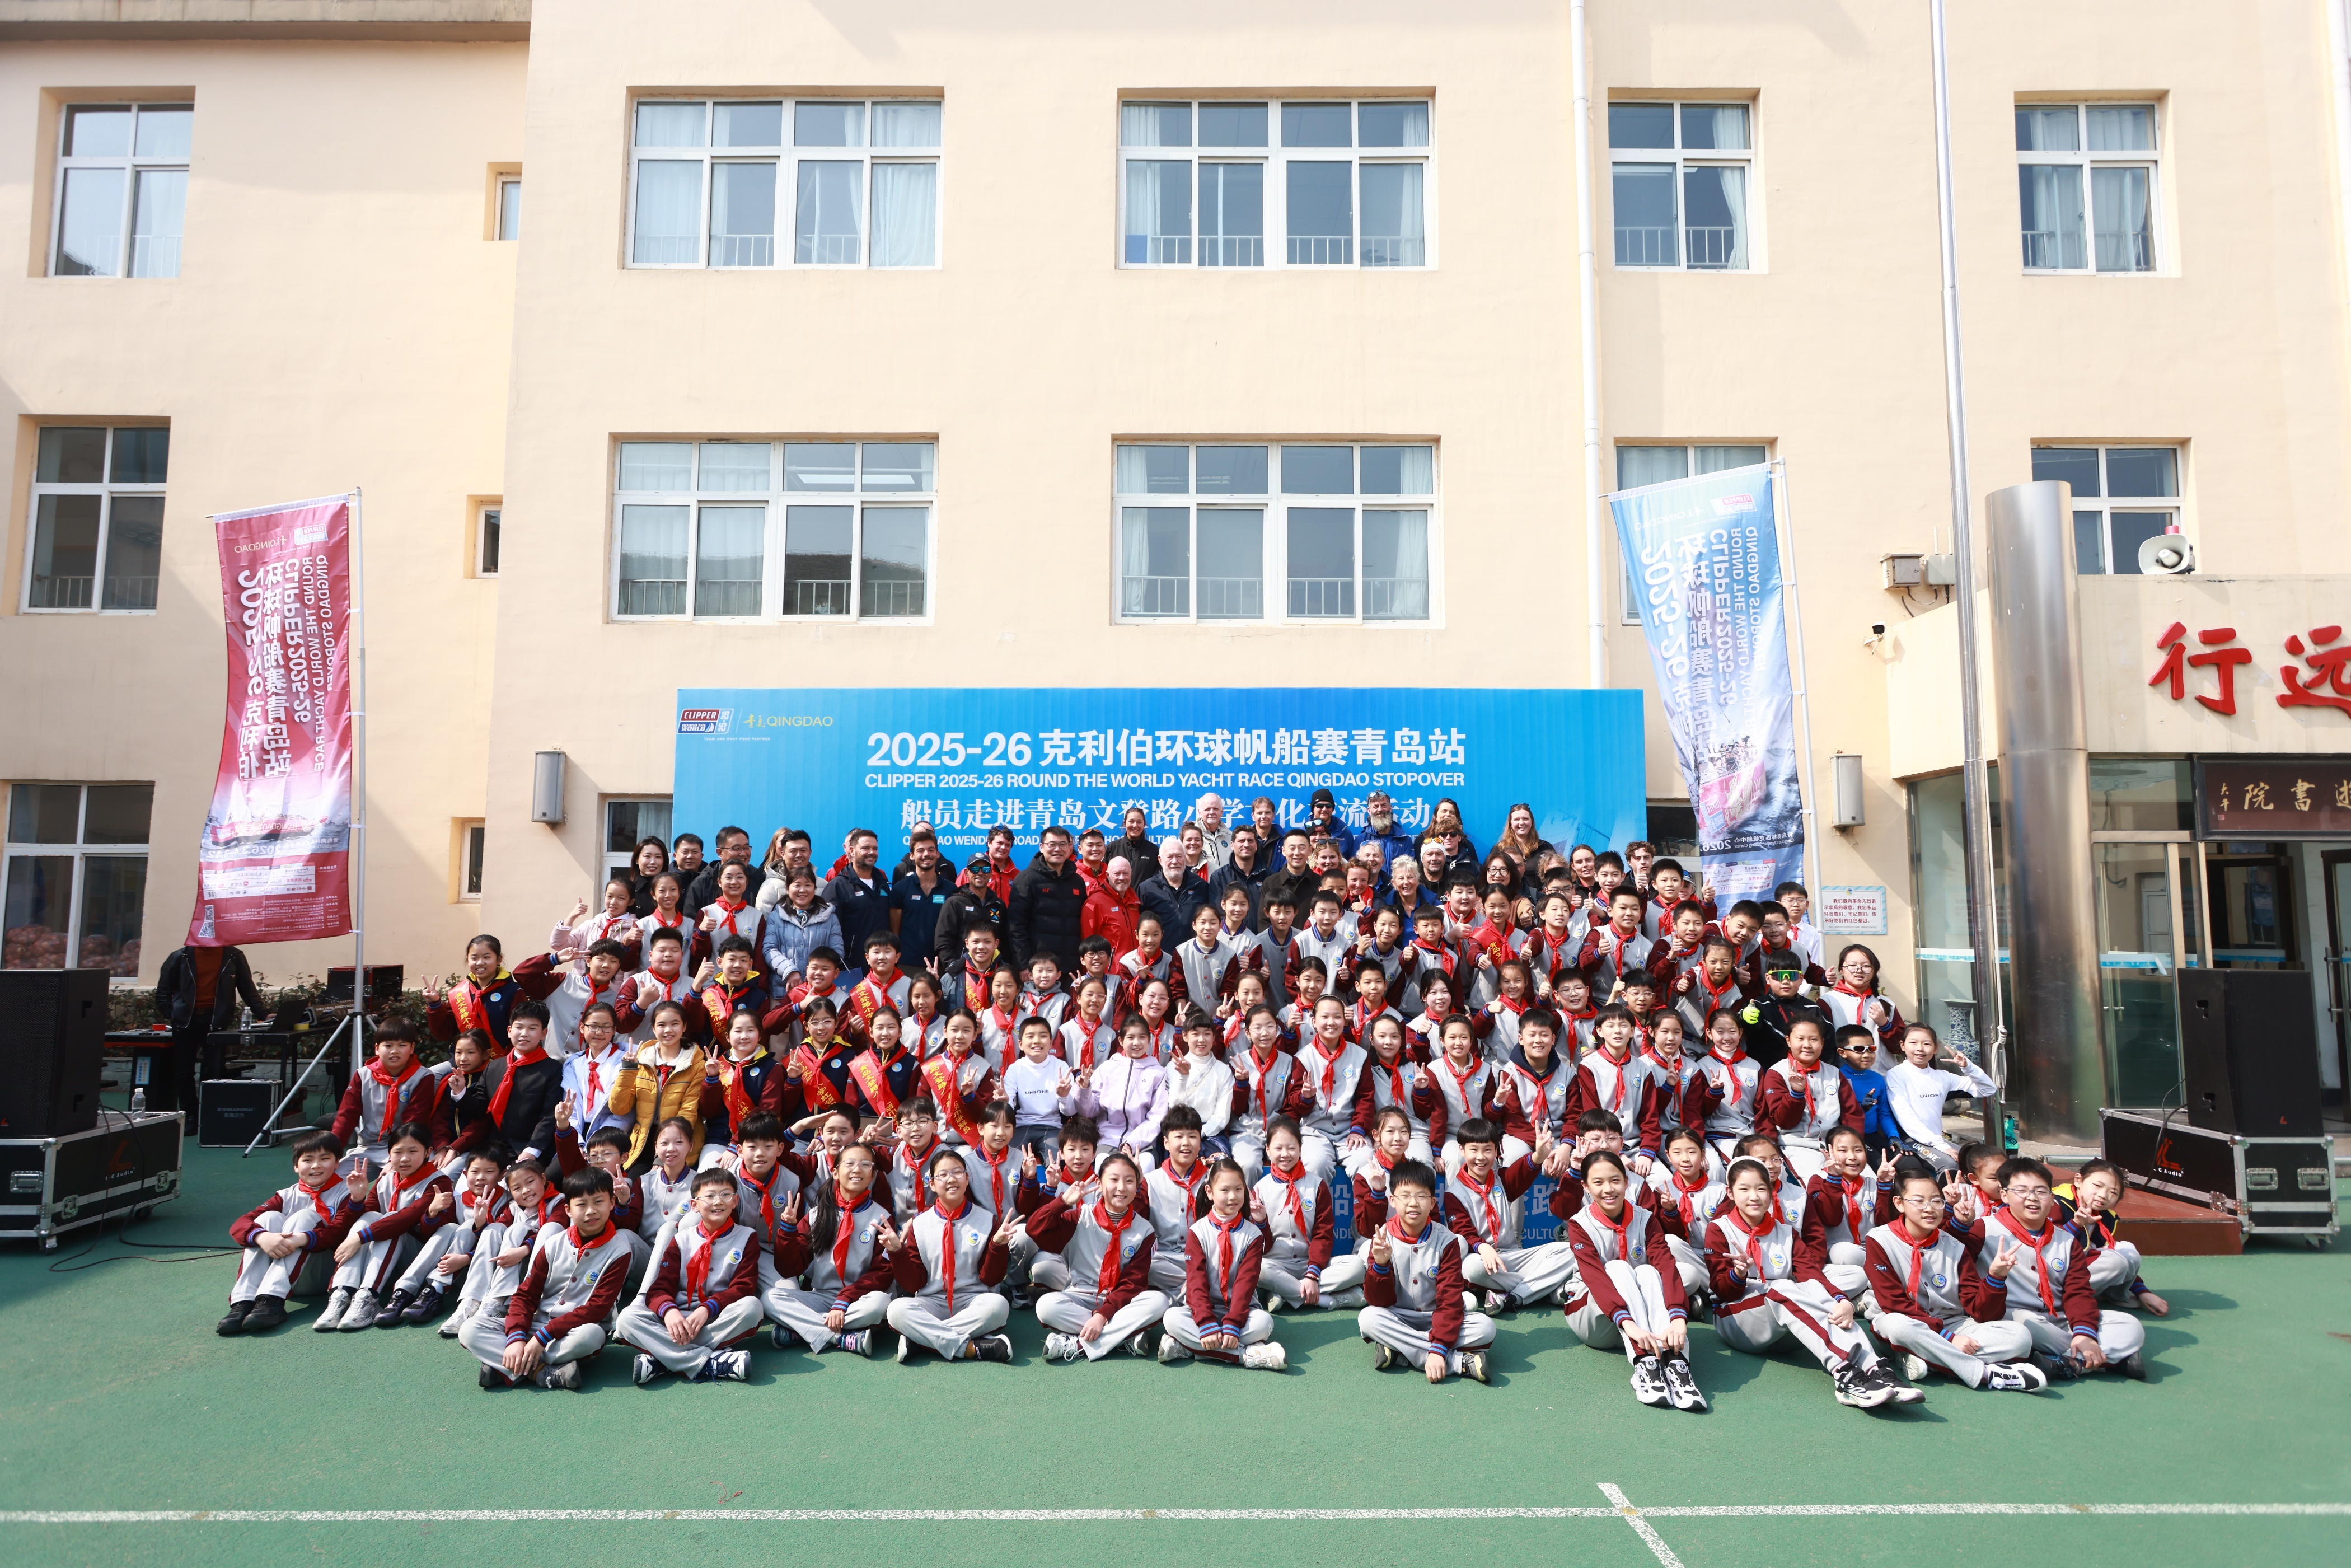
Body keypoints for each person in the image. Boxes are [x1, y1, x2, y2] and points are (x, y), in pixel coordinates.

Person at [1705, 1157, 1907, 1408]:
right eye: (1744, 1189)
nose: (1754, 1197)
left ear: (1771, 1191)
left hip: (1782, 1330)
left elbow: (1813, 1274)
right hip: (1737, 1323)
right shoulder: (1719, 1229)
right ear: (1730, 1193)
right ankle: (1844, 1373)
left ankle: (1874, 1367)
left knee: (1813, 1287)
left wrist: (1841, 1301)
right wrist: (1738, 1274)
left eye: (1761, 1189)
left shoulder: (1786, 1232)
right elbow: (1721, 1291)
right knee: (1782, 1287)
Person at [1864, 1164, 2047, 1394]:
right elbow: (1893, 1303)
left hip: (1954, 1324)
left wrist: (1996, 1277)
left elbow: (1981, 1313)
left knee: (2020, 1336)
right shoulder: (1880, 1239)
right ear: (1899, 1203)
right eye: (1919, 1201)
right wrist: (1947, 1338)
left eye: (1936, 1201)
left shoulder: (1955, 1247)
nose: (1929, 1209)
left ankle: (1929, 1361)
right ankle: (1986, 1374)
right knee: (1897, 1326)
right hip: (1904, 1322)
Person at [1977, 1157, 2148, 1382]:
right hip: (2014, 1316)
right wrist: (1954, 1215)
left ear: (2051, 1197)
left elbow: (2079, 1292)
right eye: (2022, 1191)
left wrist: (2085, 1334)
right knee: (2022, 1325)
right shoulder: (1983, 1229)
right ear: (2004, 1195)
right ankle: (2107, 1358)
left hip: (2059, 1316)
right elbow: (1946, 1242)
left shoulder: (2067, 1240)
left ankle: (2069, 1363)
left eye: (2041, 1191)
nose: (2032, 1197)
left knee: (2130, 1326)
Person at [462, 1165, 633, 1390]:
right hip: (537, 1324)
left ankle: (506, 1366)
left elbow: (596, 1310)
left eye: (599, 1202)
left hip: (574, 1331)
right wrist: (516, 1339)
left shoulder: (621, 1251)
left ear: (612, 1203)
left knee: (591, 1336)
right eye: (582, 1204)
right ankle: (541, 1371)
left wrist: (541, 1338)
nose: (591, 1211)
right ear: (568, 1210)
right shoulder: (553, 1244)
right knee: (470, 1329)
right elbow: (526, 1295)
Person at [1561, 1149, 1706, 1410]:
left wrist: (1678, 1318)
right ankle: (1645, 1365)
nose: (1609, 1189)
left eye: (1615, 1180)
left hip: (1643, 1325)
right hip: (1596, 1320)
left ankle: (1676, 1364)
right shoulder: (1579, 1224)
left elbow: (1666, 1265)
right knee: (1617, 1268)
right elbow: (1596, 1279)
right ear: (1586, 1187)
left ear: (1627, 1182)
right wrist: (1630, 1326)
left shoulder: (1645, 1218)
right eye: (1598, 1182)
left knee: (1649, 1272)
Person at [617, 1167, 764, 1384]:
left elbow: (744, 1287)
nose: (718, 1201)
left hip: (717, 1318)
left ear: (735, 1201)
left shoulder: (747, 1236)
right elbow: (660, 1288)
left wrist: (707, 1308)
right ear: (694, 1205)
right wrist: (670, 1313)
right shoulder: (681, 1239)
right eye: (710, 1196)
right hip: (678, 1319)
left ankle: (664, 1359)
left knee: (752, 1307)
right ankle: (711, 1362)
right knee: (627, 1319)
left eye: (725, 1195)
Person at [1356, 1158, 1492, 1384]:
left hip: (1435, 1317)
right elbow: (1378, 1301)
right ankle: (1458, 1362)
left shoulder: (1447, 1241)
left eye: (1421, 1196)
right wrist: (1380, 1266)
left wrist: (1438, 1348)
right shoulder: (1382, 1239)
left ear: (1432, 1203)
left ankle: (1400, 1353)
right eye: (1405, 1196)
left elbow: (1449, 1301)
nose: (1413, 1203)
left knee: (1486, 1327)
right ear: (1392, 1200)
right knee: (1368, 1318)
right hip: (1398, 1316)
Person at [1027, 1151, 1166, 1361]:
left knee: (1158, 1301)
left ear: (1137, 1185)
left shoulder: (1145, 1230)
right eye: (1114, 1180)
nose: (1121, 1187)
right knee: (1046, 1306)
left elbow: (1132, 1284)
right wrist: (1062, 1202)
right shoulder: (1080, 1217)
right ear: (1100, 1184)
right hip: (1080, 1296)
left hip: (1120, 1303)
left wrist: (1102, 1316)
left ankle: (1078, 1344)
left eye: (1129, 1181)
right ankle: (1122, 1336)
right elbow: (1034, 1229)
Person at [317, 1121, 452, 1332]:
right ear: (389, 1154)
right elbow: (357, 1221)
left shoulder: (439, 1182)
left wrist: (359, 1238)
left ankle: (369, 1296)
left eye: (413, 1151)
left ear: (428, 1152)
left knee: (391, 1220)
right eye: (398, 1152)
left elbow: (407, 1218)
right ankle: (342, 1293)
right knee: (369, 1216)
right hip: (385, 1261)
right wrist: (356, 1200)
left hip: (418, 1259)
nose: (404, 1158)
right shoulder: (386, 1180)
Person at [886, 1146, 1017, 1362]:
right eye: (943, 1175)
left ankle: (921, 1341)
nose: (951, 1179)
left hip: (973, 1300)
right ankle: (970, 1348)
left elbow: (991, 1279)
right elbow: (914, 1284)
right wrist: (896, 1253)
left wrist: (998, 1246)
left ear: (967, 1179)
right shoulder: (919, 1224)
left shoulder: (986, 1220)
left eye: (958, 1172)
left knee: (998, 1306)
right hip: (932, 1301)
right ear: (932, 1184)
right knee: (896, 1309)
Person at [219, 1130, 356, 1335]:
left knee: (305, 1216)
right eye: (308, 1160)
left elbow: (339, 1233)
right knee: (267, 1219)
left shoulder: (347, 1192)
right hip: (286, 1278)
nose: (316, 1165)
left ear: (338, 1162)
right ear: (296, 1166)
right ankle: (243, 1303)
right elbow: (240, 1225)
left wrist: (301, 1239)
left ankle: (272, 1301)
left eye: (325, 1159)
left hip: (321, 1274)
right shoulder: (286, 1195)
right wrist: (263, 1237)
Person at [767, 1141, 897, 1356]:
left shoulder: (881, 1218)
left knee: (881, 1303)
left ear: (873, 1175)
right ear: (835, 1172)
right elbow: (789, 1268)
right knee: (770, 1298)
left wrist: (844, 1300)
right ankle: (840, 1337)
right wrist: (787, 1232)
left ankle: (802, 1330)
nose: (857, 1169)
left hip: (859, 1299)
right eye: (850, 1164)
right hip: (822, 1297)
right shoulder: (817, 1214)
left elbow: (882, 1273)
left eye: (865, 1165)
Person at [1159, 1158, 1285, 1369]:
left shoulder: (1253, 1235)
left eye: (1238, 1189)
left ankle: (1189, 1348)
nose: (1233, 1196)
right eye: (1225, 1190)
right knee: (1171, 1318)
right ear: (1210, 1192)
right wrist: (1207, 1323)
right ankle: (1247, 1355)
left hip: (1241, 1311)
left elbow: (1246, 1285)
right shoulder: (1198, 1232)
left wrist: (1233, 1323)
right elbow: (1196, 1282)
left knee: (1265, 1323)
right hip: (1201, 1310)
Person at [1445, 1116, 1575, 1313]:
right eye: (1474, 1150)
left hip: (1513, 1257)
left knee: (1570, 1250)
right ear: (1462, 1150)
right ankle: (1543, 1289)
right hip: (1482, 1259)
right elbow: (1462, 1231)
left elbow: (1521, 1172)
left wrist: (1539, 1155)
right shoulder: (1454, 1193)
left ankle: (1515, 1296)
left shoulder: (1502, 1178)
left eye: (1488, 1150)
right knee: (1470, 1269)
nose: (1481, 1157)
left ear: (1497, 1151)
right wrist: (1482, 1247)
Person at [382, 1147, 508, 1327]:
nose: (481, 1177)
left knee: (469, 1226)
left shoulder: (508, 1202)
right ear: (465, 1174)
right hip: (452, 1269)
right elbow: (431, 1235)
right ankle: (406, 1291)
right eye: (475, 1172)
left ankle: (436, 1289)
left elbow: (502, 1244)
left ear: (502, 1175)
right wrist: (432, 1213)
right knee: (450, 1227)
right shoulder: (457, 1201)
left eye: (489, 1172)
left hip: (485, 1271)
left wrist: (467, 1257)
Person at [1251, 1116, 1367, 1311]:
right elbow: (1262, 1248)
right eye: (1278, 1148)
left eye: (1291, 1148)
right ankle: (1325, 1299)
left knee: (1357, 1266)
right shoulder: (1260, 1189)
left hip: (1312, 1264)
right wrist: (1261, 1222)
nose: (1285, 1154)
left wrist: (1312, 1274)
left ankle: (1286, 1294)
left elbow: (1323, 1234)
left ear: (1300, 1149)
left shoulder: (1316, 1184)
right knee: (1258, 1268)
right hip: (1277, 1265)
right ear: (1268, 1150)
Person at [153, 940, 268, 1115]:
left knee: (215, 1069)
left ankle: (211, 1114)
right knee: (184, 1072)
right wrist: (174, 1014)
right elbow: (163, 991)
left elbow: (247, 989)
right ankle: (190, 1115)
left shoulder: (233, 955)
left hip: (216, 1019)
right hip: (185, 1020)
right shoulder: (180, 956)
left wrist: (264, 1014)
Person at [2055, 1159, 2170, 1316]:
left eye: (2113, 1193)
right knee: (2115, 1261)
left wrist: (2142, 1291)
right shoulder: (2055, 1202)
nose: (2103, 1195)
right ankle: (2059, 1300)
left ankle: (2113, 1294)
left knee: (2127, 1251)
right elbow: (2047, 1246)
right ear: (2079, 1181)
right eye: (2098, 1186)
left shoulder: (2105, 1216)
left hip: (2073, 1269)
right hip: (2050, 1271)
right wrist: (2076, 1224)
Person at [328, 1017, 441, 1171]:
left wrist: (398, 1157)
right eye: (388, 1045)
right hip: (368, 1147)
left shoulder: (423, 1077)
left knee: (427, 1175)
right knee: (331, 1177)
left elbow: (415, 1120)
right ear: (377, 1048)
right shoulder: (363, 1075)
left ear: (412, 1048)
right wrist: (332, 1153)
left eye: (402, 1045)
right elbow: (346, 1117)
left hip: (406, 1148)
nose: (395, 1051)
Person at [1759, 1016, 1863, 1182]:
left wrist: (1852, 1146)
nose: (1807, 1045)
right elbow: (1783, 1120)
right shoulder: (1777, 1073)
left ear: (1822, 1043)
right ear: (1788, 1041)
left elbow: (1852, 1113)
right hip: (1798, 1146)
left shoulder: (1834, 1073)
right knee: (1817, 1185)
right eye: (1800, 1039)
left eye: (1814, 1039)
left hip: (1838, 1147)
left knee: (1866, 1182)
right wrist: (1796, 1093)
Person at [1884, 1023, 1998, 1169]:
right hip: (1910, 1139)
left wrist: (1968, 1067)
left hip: (1935, 1140)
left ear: (1935, 1048)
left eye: (1927, 1044)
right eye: (1913, 1043)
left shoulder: (1943, 1077)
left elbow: (1988, 1090)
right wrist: (1941, 1145)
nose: (1920, 1048)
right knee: (1950, 1164)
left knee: (1977, 1163)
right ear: (1903, 1045)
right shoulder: (1896, 1074)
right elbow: (1906, 1117)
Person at [1800, 1126, 1882, 1299]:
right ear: (1828, 1153)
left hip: (1869, 1251)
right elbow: (1830, 1218)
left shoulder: (1873, 1183)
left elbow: (1885, 1223)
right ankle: (1881, 1282)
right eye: (1843, 1151)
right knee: (1847, 1252)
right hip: (1836, 1251)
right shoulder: (1819, 1180)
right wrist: (1834, 1180)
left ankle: (1871, 1291)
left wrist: (1886, 1187)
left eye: (1858, 1150)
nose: (1852, 1157)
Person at [1075, 1014, 1169, 1163]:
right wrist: (1084, 1090)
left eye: (1142, 1037)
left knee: (1146, 1165)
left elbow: (1158, 1116)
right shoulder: (1108, 1068)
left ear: (1149, 1040)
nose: (1137, 1043)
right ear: (1121, 1040)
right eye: (1131, 1037)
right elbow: (1089, 1111)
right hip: (1107, 1139)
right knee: (1103, 1165)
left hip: (1142, 1144)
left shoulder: (1158, 1073)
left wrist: (1132, 1143)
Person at [1009, 825, 1089, 972]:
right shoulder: (1027, 879)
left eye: (1063, 844)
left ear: (1070, 848)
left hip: (1071, 967)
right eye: (1052, 845)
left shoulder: (1077, 881)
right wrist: (1023, 965)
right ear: (1042, 847)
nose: (1057, 849)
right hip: (1039, 969)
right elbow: (1016, 927)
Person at [764, 866, 843, 991]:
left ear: (814, 888)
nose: (802, 890)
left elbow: (837, 950)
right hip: (784, 988)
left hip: (819, 988)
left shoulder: (829, 916)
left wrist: (816, 973)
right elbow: (769, 949)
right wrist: (789, 971)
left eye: (808, 885)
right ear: (787, 889)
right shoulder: (776, 916)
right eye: (797, 885)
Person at [1165, 1011, 1236, 1146]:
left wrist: (1199, 1133)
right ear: (1185, 1036)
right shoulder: (1172, 1067)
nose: (1202, 1040)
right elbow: (1174, 1106)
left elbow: (1222, 1115)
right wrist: (1183, 1077)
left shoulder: (1224, 1070)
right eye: (1196, 1034)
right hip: (1179, 1131)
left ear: (1214, 1037)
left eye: (1207, 1034)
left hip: (1211, 1133)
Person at [1834, 1024, 1899, 1166]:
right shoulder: (1836, 1078)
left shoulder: (1877, 1079)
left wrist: (1893, 1136)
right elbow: (1835, 1116)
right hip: (1850, 1139)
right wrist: (1861, 1110)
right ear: (1842, 1052)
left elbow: (1884, 1113)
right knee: (1881, 1166)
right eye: (1859, 1049)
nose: (1867, 1055)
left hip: (1873, 1135)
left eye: (1871, 1049)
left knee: (1908, 1163)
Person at [888, 828, 952, 971]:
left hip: (941, 964)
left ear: (937, 853)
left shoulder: (950, 889)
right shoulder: (900, 888)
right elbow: (895, 931)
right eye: (920, 851)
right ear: (912, 855)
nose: (926, 854)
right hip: (907, 963)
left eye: (931, 850)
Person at [1137, 837, 1214, 946]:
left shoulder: (1200, 886)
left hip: (1194, 952)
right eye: (1170, 857)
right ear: (1160, 860)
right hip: (1161, 954)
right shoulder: (1146, 889)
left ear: (1185, 858)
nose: (1175, 861)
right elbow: (1141, 926)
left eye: (1179, 856)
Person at [1081, 857, 1142, 959]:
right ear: (1108, 875)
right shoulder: (1095, 903)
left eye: (1126, 873)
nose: (1122, 878)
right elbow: (1087, 945)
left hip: (1135, 966)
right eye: (1117, 874)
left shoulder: (1134, 900)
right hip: (1110, 968)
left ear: (1131, 874)